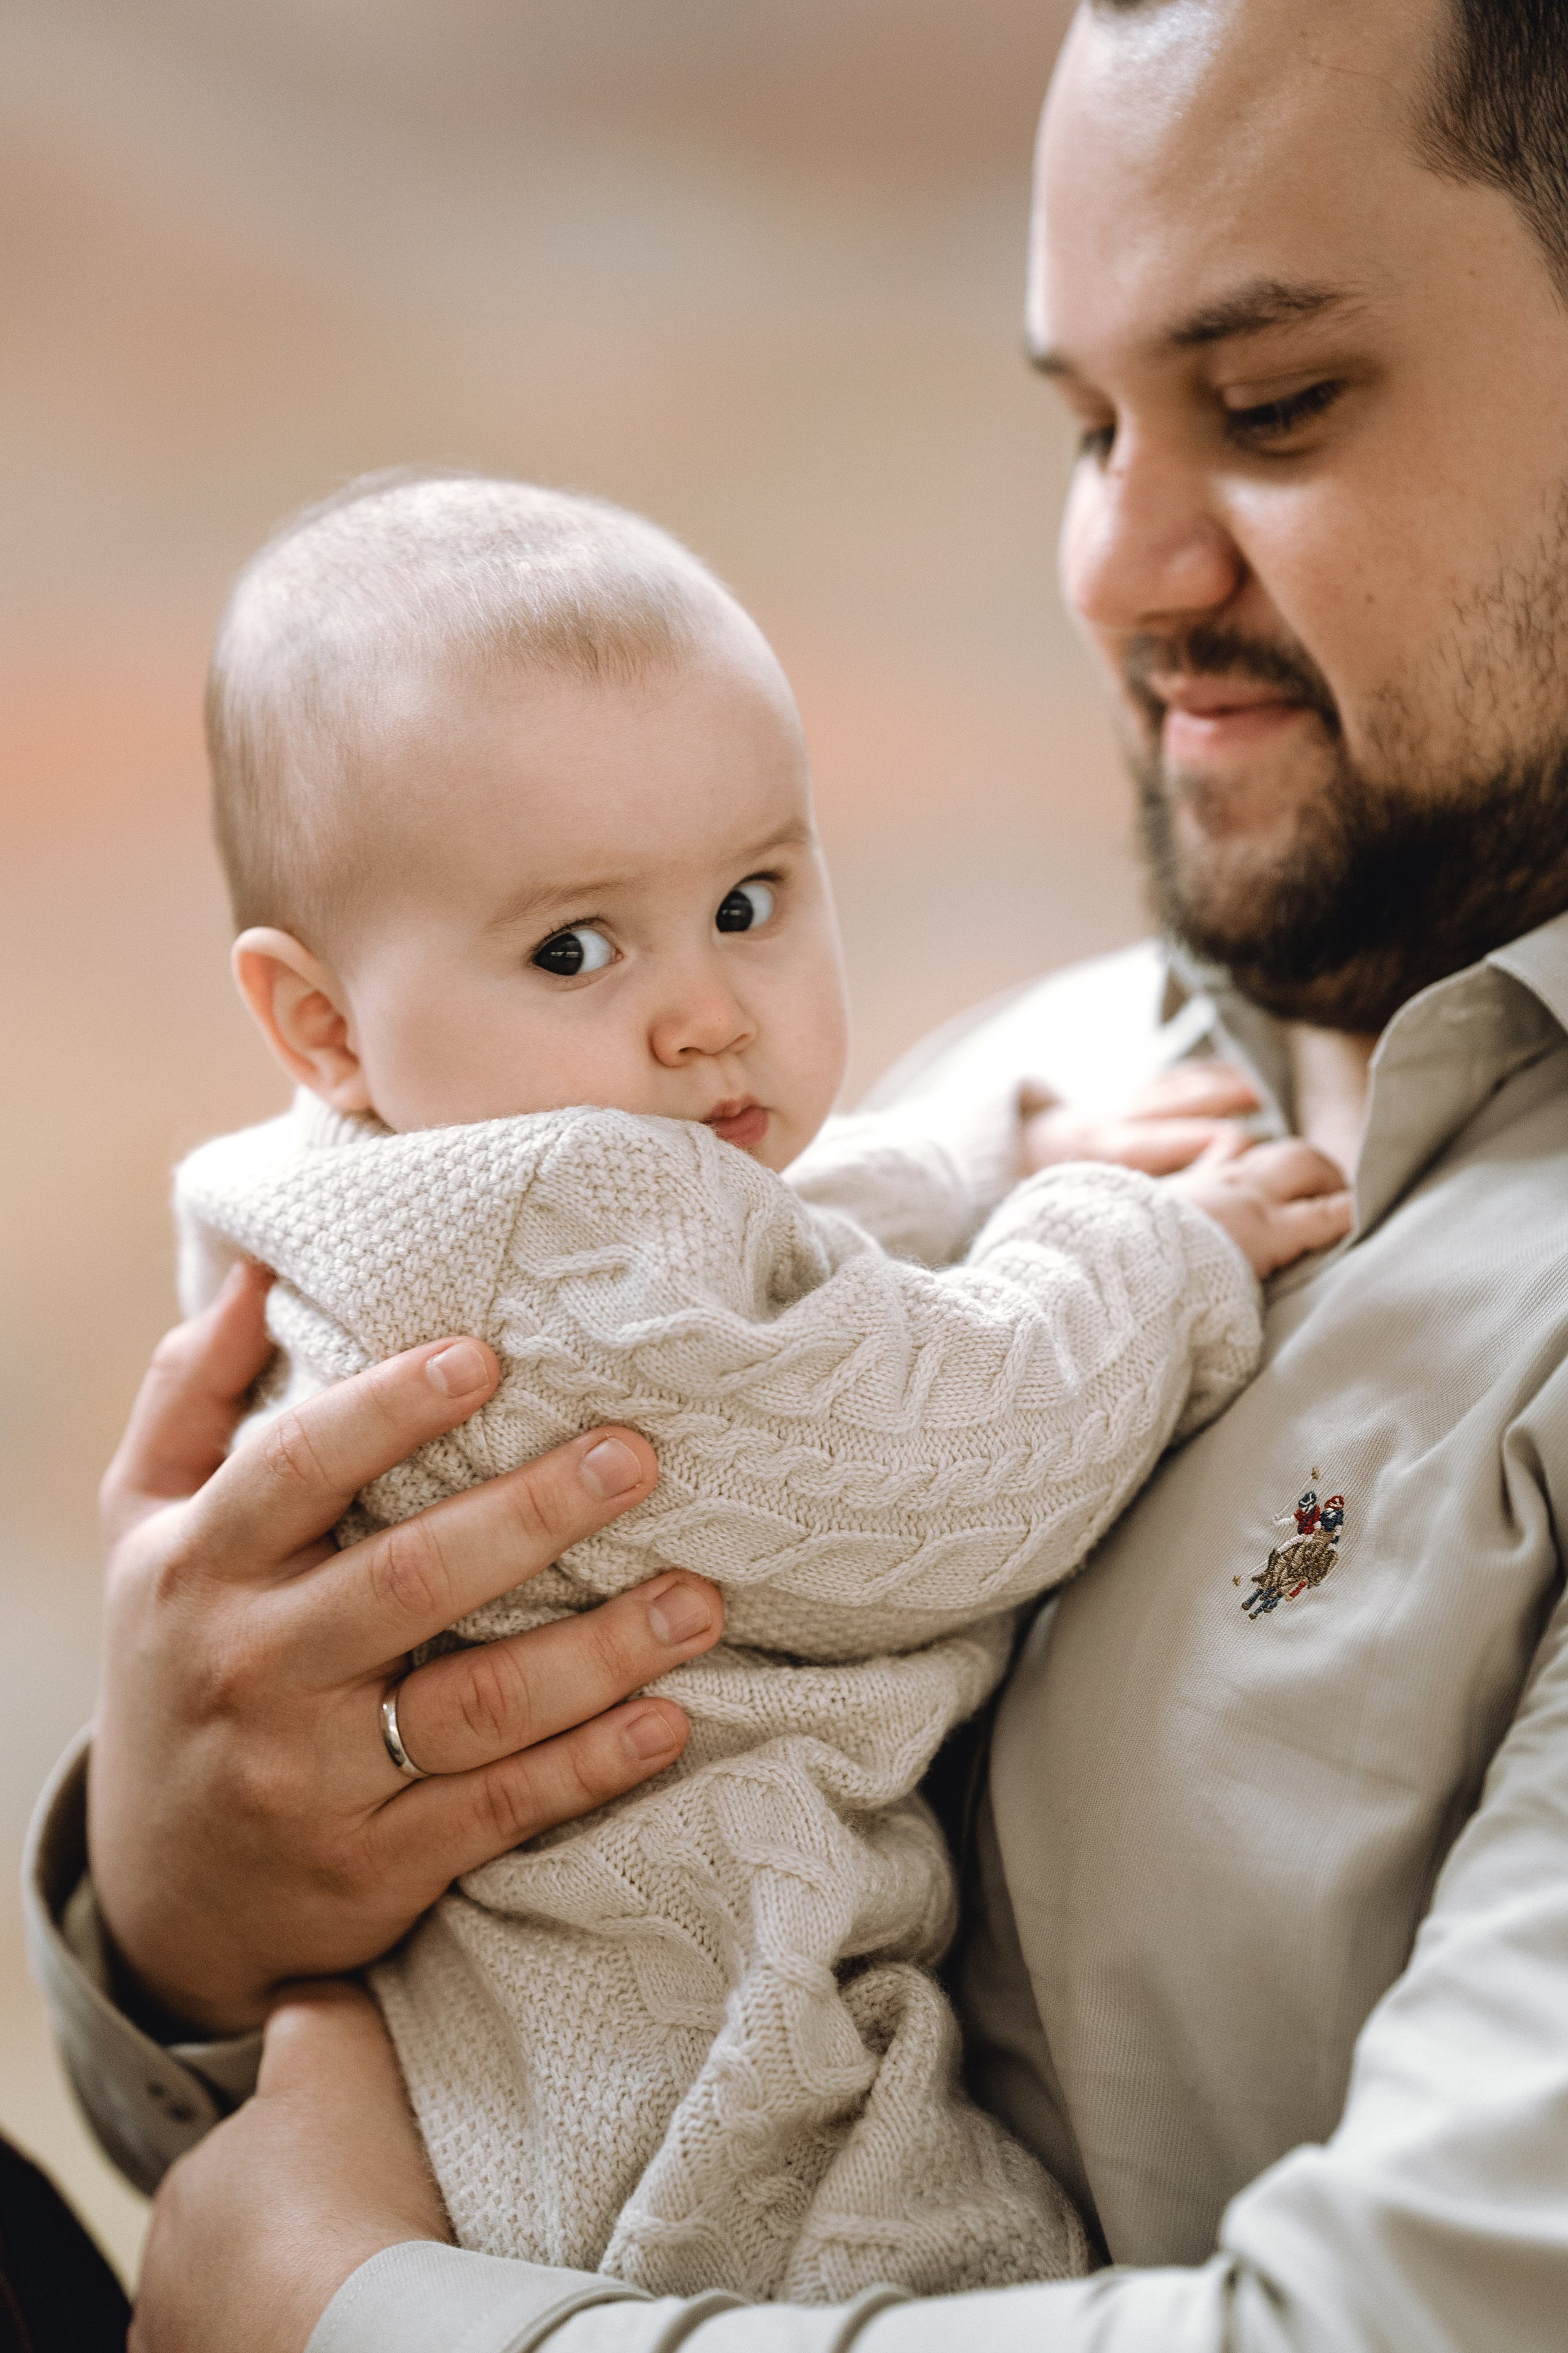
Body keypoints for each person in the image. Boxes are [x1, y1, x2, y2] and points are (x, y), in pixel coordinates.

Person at [27, 0, 1568, 2343]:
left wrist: (362, 2319)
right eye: (1084, 424)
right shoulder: (1018, 1077)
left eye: (1272, 407)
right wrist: (181, 1908)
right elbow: (231, 2135)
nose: (1117, 561)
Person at [170, 466, 1340, 2297]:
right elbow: (930, 1462)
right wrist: (1142, 1243)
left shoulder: (406, 1187)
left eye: (750, 896)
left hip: (506, 2043)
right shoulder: (546, 1238)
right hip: (692, 2108)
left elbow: (743, 1244)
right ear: (321, 1018)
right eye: (575, 946)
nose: (705, 1008)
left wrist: (986, 1144)